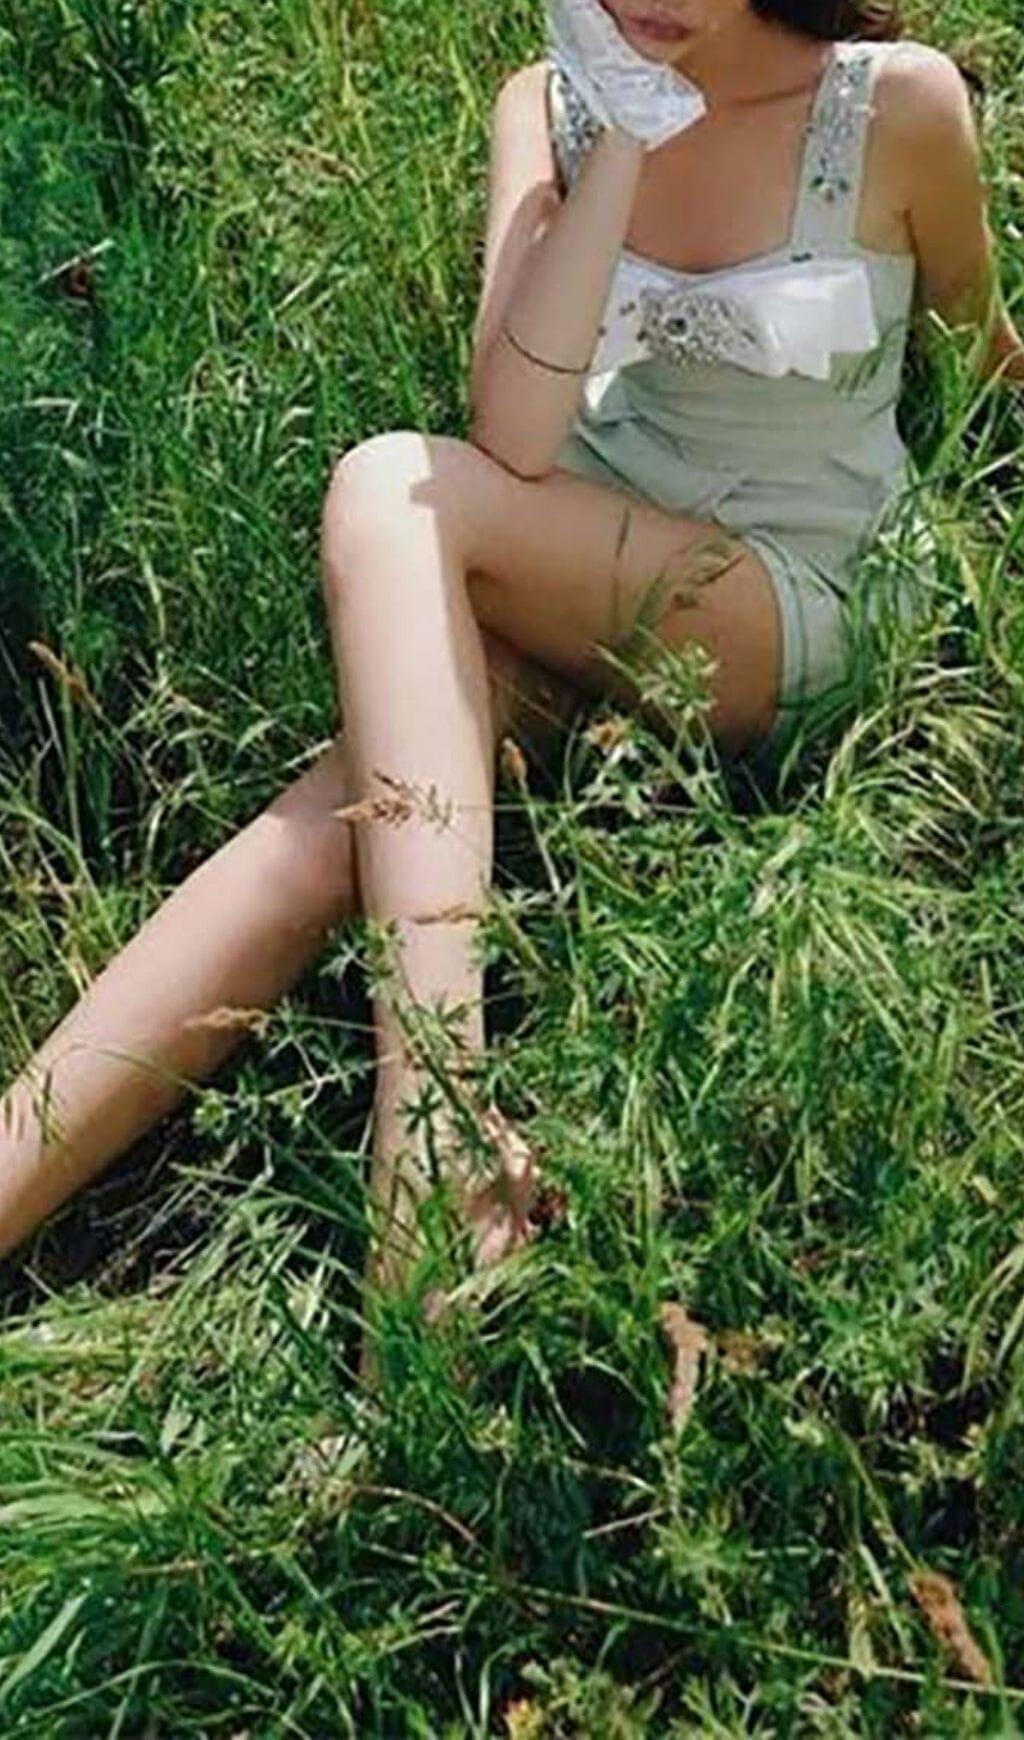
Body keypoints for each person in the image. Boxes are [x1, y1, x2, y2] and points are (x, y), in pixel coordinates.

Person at [1, 0, 1021, 1389]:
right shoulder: (542, 108)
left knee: (388, 492)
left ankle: (429, 1143)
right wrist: (620, 135)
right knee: (337, 828)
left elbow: (976, 356)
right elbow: (520, 438)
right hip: (578, 569)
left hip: (794, 599)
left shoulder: (893, 106)